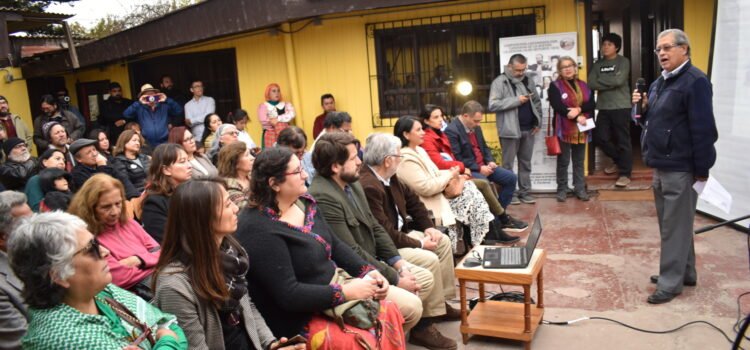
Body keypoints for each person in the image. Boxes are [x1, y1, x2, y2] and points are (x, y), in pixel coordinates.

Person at [239, 147, 407, 348]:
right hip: (297, 317)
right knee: (355, 342)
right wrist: (345, 292)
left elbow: (334, 244)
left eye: (302, 168)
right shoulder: (258, 228)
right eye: (296, 172)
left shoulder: (304, 202)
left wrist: (370, 273)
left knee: (389, 311)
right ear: (274, 184)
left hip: (331, 292)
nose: (304, 175)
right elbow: (289, 295)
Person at [308, 132, 458, 349]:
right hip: (353, 273)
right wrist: (396, 278)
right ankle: (388, 336)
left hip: (373, 260)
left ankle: (406, 329)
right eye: (353, 158)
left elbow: (375, 227)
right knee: (414, 300)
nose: (360, 161)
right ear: (335, 166)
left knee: (421, 276)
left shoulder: (352, 183)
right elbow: (351, 251)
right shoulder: (324, 196)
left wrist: (399, 264)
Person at [154, 179, 302, 350]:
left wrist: (270, 344)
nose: (236, 209)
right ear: (202, 217)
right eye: (226, 205)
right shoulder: (174, 287)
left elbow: (246, 306)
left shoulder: (230, 254)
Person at [7, 211, 187, 349]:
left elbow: (169, 322)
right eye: (91, 248)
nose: (105, 252)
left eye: (97, 242)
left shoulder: (101, 292)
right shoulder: (64, 338)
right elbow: (171, 333)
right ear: (58, 274)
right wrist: (168, 341)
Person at [632, 29, 718, 304]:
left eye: (667, 48)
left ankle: (671, 282)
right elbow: (652, 120)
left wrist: (702, 169)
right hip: (660, 164)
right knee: (676, 224)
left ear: (685, 49)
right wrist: (642, 108)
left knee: (673, 226)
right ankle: (685, 271)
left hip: (681, 167)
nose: (662, 54)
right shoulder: (659, 83)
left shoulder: (695, 81)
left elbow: (704, 129)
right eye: (658, 49)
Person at [360, 133, 464, 338]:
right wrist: (420, 243)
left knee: (441, 240)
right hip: (388, 246)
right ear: (388, 160)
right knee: (430, 258)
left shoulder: (389, 175)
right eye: (399, 155)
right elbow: (385, 233)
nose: (401, 159)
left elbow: (414, 202)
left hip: (403, 233)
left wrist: (428, 227)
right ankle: (423, 325)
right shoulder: (369, 185)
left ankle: (439, 306)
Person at [395, 117, 510, 248]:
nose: (423, 132)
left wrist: (454, 173)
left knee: (470, 189)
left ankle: (487, 233)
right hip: (429, 202)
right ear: (406, 134)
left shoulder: (419, 150)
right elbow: (425, 187)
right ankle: (488, 233)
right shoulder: (405, 158)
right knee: (471, 192)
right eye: (418, 130)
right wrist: (451, 174)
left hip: (439, 193)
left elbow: (435, 173)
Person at [68, 174, 160, 299]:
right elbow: (119, 278)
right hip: (137, 296)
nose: (115, 212)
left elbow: (161, 252)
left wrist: (139, 260)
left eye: (118, 204)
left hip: (158, 280)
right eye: (106, 207)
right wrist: (153, 262)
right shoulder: (85, 237)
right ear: (89, 208)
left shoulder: (129, 223)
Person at [445, 101, 528, 232]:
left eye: (479, 121)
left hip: (484, 165)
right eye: (476, 121)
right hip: (469, 169)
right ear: (465, 116)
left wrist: (490, 161)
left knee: (511, 178)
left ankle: (498, 217)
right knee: (484, 183)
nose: (478, 124)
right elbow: (458, 158)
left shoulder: (476, 127)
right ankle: (498, 220)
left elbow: (484, 147)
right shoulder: (451, 130)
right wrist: (479, 168)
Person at [488, 54, 543, 205]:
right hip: (509, 131)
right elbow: (492, 105)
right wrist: (516, 101)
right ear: (510, 66)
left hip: (528, 129)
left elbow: (537, 101)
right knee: (507, 165)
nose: (521, 73)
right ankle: (509, 194)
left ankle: (525, 192)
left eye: (523, 69)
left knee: (525, 163)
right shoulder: (500, 82)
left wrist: (538, 121)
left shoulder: (527, 79)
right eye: (518, 70)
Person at [588, 33, 633, 188]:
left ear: (617, 47)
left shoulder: (623, 61)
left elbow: (619, 80)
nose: (605, 47)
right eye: (603, 44)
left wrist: (603, 81)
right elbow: (591, 83)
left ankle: (625, 173)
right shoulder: (597, 64)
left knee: (622, 140)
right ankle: (619, 160)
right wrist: (610, 82)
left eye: (609, 44)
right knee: (600, 137)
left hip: (621, 105)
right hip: (604, 106)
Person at [548, 56, 595, 202]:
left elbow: (591, 103)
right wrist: (575, 117)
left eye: (570, 65)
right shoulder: (554, 86)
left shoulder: (584, 85)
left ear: (575, 68)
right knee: (563, 160)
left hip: (582, 127)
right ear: (560, 71)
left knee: (579, 160)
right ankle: (562, 189)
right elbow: (558, 106)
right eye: (564, 67)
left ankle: (579, 188)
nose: (567, 69)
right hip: (563, 129)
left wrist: (579, 110)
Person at [0, 191, 32, 349]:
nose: (36, 229)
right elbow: (24, 343)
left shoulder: (43, 253)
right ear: (2, 237)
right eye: (26, 225)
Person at [141, 143, 193, 242]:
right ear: (166, 170)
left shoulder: (192, 190)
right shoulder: (154, 203)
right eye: (182, 162)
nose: (189, 166)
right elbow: (168, 241)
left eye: (188, 160)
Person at [69, 138, 138, 198]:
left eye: (94, 150)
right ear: (79, 159)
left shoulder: (106, 164)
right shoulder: (77, 174)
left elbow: (123, 180)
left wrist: (133, 197)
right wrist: (102, 167)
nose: (94, 154)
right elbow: (101, 191)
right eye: (89, 152)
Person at [112, 130, 151, 197]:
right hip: (136, 195)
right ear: (124, 142)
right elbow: (125, 182)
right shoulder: (119, 161)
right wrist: (138, 196)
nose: (137, 143)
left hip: (152, 191)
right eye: (134, 140)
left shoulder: (144, 157)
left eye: (138, 141)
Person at [217, 141, 254, 208]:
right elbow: (246, 208)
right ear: (235, 162)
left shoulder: (252, 176)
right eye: (247, 155)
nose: (252, 158)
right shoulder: (228, 186)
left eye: (250, 154)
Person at [257, 83, 295, 148]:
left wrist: (277, 119)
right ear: (268, 93)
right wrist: (276, 124)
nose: (277, 93)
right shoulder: (263, 106)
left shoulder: (286, 104)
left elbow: (291, 114)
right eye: (274, 91)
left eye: (278, 91)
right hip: (270, 134)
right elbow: (263, 120)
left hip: (285, 133)